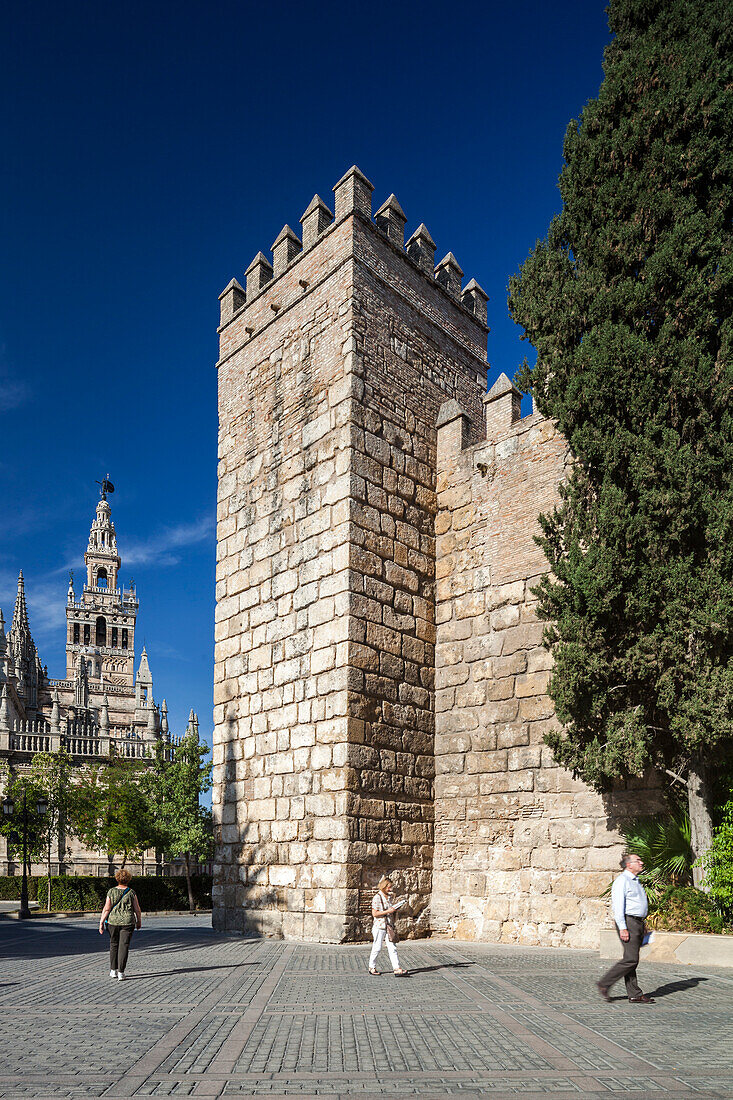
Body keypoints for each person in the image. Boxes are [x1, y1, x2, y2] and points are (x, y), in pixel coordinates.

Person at [597, 852, 654, 1004]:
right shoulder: (622, 881)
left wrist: (643, 924)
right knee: (631, 959)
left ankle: (634, 994)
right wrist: (623, 927)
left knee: (631, 958)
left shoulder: (635, 880)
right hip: (628, 923)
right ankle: (604, 983)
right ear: (629, 864)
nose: (641, 863)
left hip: (637, 923)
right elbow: (618, 906)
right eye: (638, 860)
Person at [99, 868, 142, 981]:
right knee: (124, 946)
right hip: (128, 922)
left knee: (113, 945)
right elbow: (137, 909)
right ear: (128, 879)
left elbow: (107, 908)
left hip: (112, 922)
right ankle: (121, 972)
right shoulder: (131, 892)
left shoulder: (111, 891)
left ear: (117, 878)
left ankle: (113, 970)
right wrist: (139, 921)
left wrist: (101, 921)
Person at [368, 876, 408, 977]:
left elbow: (390, 910)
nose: (390, 889)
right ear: (384, 887)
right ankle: (371, 967)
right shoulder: (377, 897)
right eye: (389, 887)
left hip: (388, 925)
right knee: (377, 946)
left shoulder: (389, 897)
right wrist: (388, 911)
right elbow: (375, 913)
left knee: (392, 947)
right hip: (379, 926)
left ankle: (397, 968)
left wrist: (394, 909)